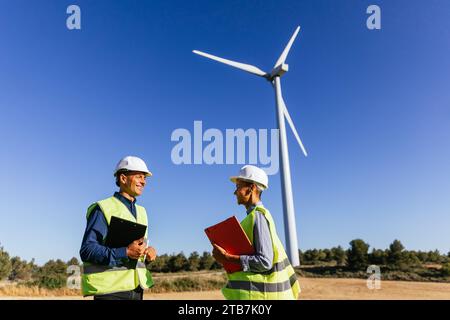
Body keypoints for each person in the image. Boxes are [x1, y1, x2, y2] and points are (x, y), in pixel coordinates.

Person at [211, 165, 300, 300]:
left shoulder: (258, 217)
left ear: (251, 189)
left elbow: (264, 262)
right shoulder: (253, 217)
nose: (234, 192)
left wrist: (227, 258)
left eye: (238, 187)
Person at [80, 156, 157, 300]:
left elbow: (136, 254)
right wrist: (125, 252)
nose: (143, 182)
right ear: (123, 178)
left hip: (137, 290)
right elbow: (87, 250)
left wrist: (147, 254)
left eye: (145, 178)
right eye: (139, 176)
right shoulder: (103, 208)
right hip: (111, 292)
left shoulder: (142, 212)